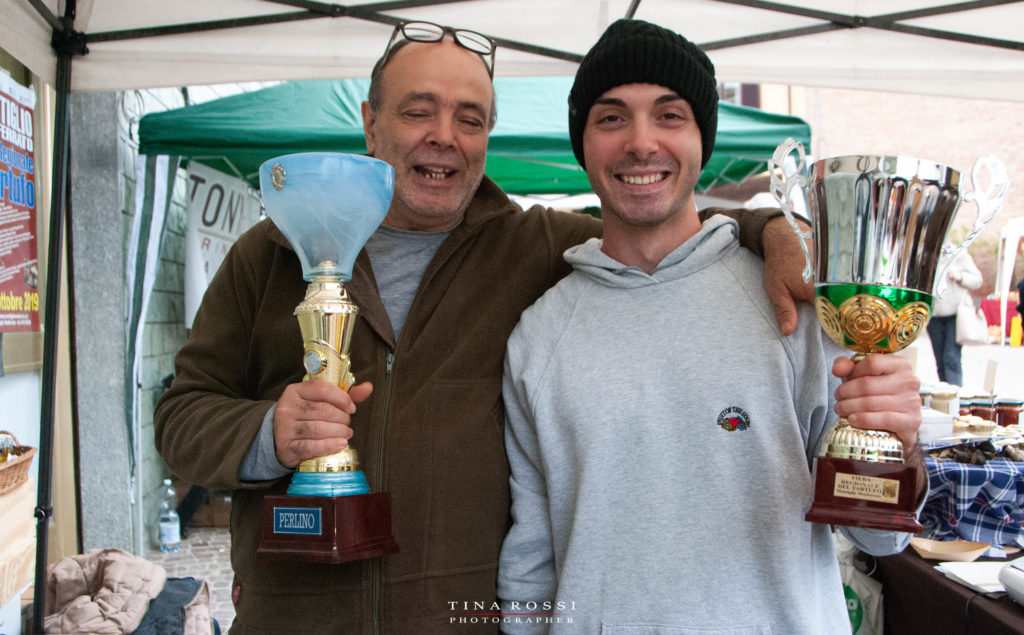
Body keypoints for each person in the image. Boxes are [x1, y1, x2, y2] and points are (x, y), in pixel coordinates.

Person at [154, 20, 813, 634]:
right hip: (292, 619)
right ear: (370, 123)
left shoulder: (531, 248)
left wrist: (771, 228)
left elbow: (658, 229)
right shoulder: (271, 253)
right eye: (418, 110)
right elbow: (180, 418)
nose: (444, 135)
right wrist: (269, 433)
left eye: (470, 119)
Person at [497, 19, 925, 633]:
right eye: (612, 117)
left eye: (670, 115)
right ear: (582, 143)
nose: (641, 143)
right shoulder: (537, 337)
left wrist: (899, 446)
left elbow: (877, 540)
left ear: (703, 137)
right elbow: (531, 563)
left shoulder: (794, 304)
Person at [926, 246, 983, 385]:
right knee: (939, 359)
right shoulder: (926, 254)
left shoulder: (959, 253)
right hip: (934, 315)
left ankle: (956, 395)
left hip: (955, 314)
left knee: (951, 357)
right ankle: (945, 395)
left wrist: (960, 277)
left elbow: (977, 280)